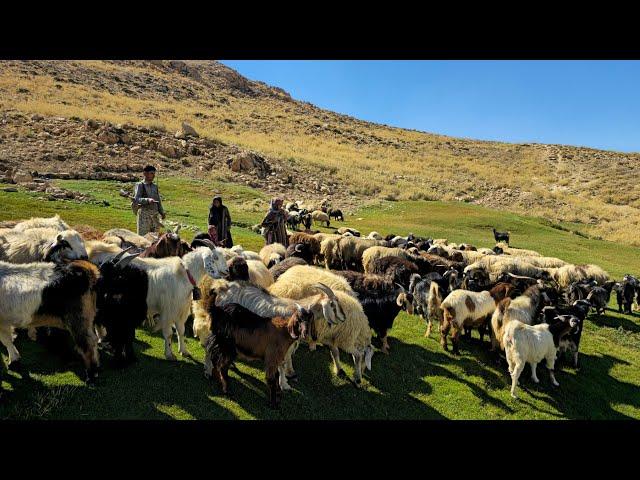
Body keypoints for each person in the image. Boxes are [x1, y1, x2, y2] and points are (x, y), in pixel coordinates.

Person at [134, 165, 165, 236]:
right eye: (151, 173)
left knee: (155, 238)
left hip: (155, 215)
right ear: (145, 173)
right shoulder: (140, 185)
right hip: (144, 215)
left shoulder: (155, 186)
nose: (153, 176)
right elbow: (136, 199)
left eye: (154, 174)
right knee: (143, 237)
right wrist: (147, 200)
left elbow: (158, 200)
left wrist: (162, 212)